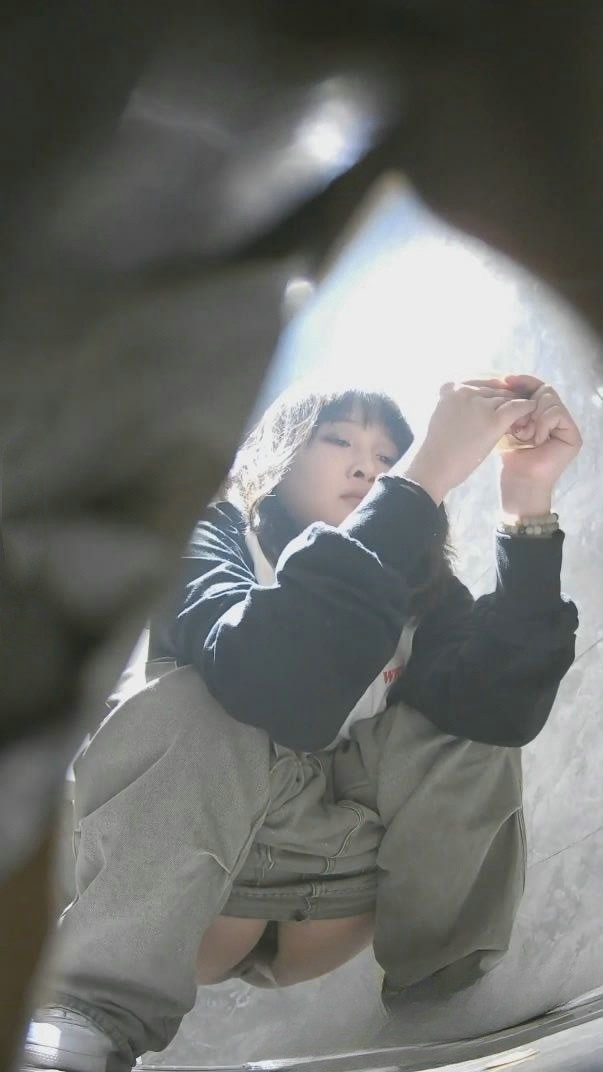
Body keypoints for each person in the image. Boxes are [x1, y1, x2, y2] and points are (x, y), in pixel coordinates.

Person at [25, 373, 581, 1072]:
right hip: (190, 887)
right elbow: (275, 682)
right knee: (192, 695)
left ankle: (446, 1006)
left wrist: (527, 504)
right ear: (282, 457)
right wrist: (420, 478)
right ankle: (89, 1014)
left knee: (469, 727)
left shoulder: (424, 595)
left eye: (387, 457)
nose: (367, 467)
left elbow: (502, 710)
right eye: (339, 440)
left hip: (337, 890)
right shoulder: (211, 535)